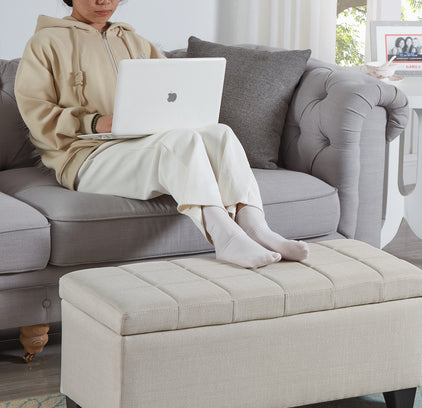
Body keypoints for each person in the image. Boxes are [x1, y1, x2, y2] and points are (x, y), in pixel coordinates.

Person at [15, 0, 309, 269]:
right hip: (87, 156)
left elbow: (172, 94)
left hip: (142, 145)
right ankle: (225, 237)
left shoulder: (136, 42)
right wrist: (94, 123)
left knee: (220, 133)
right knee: (181, 142)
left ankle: (257, 228)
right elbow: (36, 113)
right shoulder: (45, 43)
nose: (103, 1)